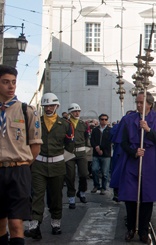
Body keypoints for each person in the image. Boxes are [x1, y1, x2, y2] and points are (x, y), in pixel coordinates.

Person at [0, 65, 42, 245]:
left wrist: (22, 165)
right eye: (5, 82)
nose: (11, 86)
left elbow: (35, 146)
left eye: (14, 83)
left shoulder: (27, 111)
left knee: (16, 224)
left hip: (19, 171)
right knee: (0, 223)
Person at [118, 92, 156, 243]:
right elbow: (123, 142)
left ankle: (144, 230)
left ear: (149, 104)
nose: (138, 105)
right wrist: (134, 152)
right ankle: (131, 228)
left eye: (141, 102)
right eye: (137, 102)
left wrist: (148, 130)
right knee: (131, 197)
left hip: (150, 163)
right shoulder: (128, 120)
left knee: (147, 199)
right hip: (133, 163)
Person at [25, 93, 74, 240]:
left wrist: (60, 158)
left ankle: (55, 222)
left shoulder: (65, 124)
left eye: (51, 105)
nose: (49, 108)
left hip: (58, 166)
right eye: (46, 106)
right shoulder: (36, 122)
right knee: (37, 194)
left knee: (56, 195)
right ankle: (34, 224)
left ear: (57, 106)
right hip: (38, 164)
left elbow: (70, 146)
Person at [64, 103, 89, 209]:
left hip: (81, 152)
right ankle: (71, 197)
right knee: (70, 176)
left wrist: (87, 149)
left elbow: (86, 137)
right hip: (69, 152)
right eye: (74, 111)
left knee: (84, 174)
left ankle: (82, 191)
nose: (77, 113)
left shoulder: (83, 124)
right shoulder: (65, 123)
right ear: (70, 112)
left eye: (78, 111)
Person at [90, 114, 112, 195]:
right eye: (102, 119)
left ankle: (103, 187)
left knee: (105, 173)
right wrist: (96, 147)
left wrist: (101, 149)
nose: (104, 121)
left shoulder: (110, 130)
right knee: (94, 170)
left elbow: (109, 141)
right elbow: (92, 140)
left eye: (105, 119)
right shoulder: (95, 130)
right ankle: (96, 185)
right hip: (96, 154)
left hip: (106, 154)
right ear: (99, 120)